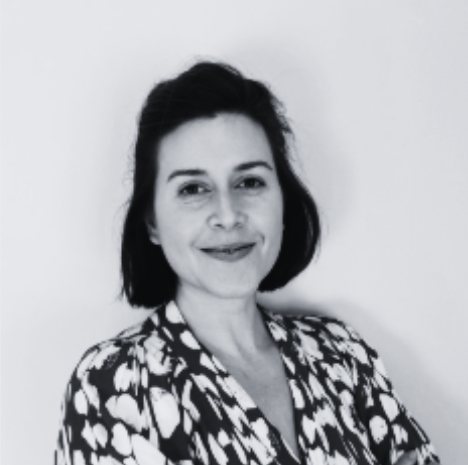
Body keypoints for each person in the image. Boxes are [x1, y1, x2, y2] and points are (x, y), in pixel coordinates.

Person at [54, 62, 440, 465]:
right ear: (152, 221)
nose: (228, 214)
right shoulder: (113, 387)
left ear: (282, 201)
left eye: (249, 182)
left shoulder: (342, 354)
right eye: (193, 189)